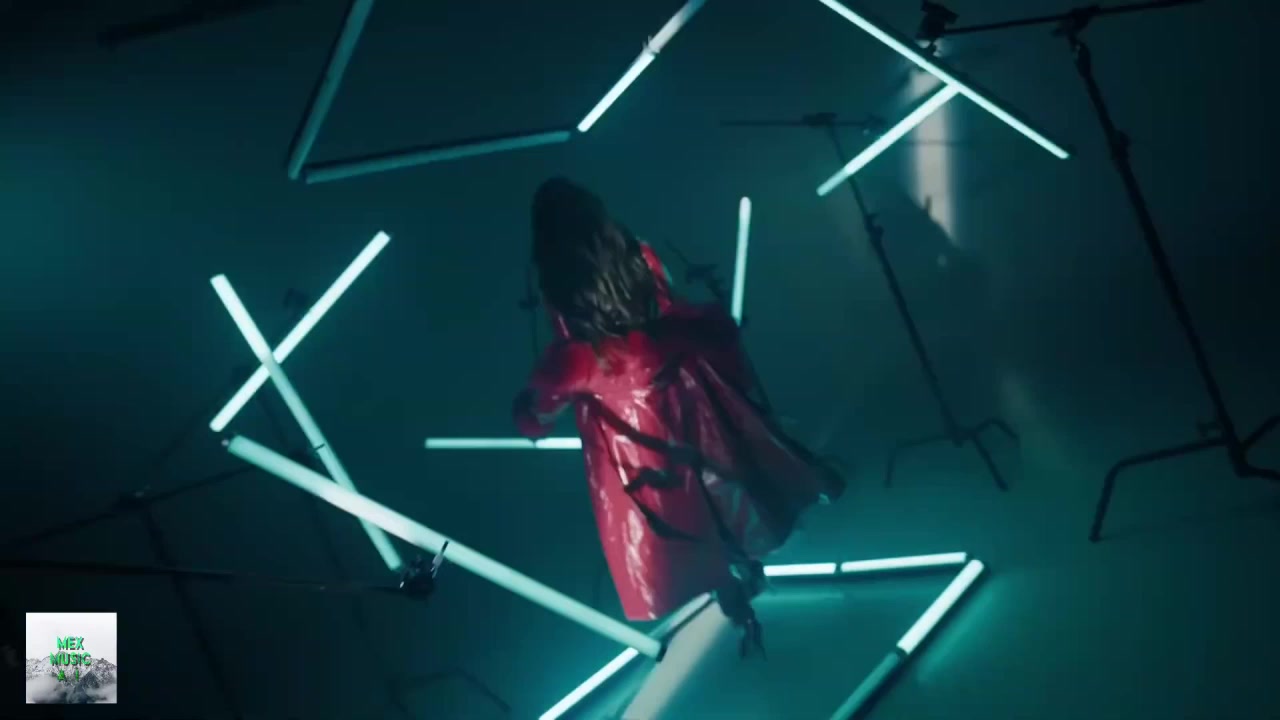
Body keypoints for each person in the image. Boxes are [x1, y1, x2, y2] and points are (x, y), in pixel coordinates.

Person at [513, 178, 845, 657]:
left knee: (673, 516)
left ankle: (733, 595)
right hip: (683, 389)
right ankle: (752, 566)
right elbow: (669, 308)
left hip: (628, 426)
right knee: (723, 483)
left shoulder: (564, 304)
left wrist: (533, 415)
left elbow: (549, 394)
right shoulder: (637, 253)